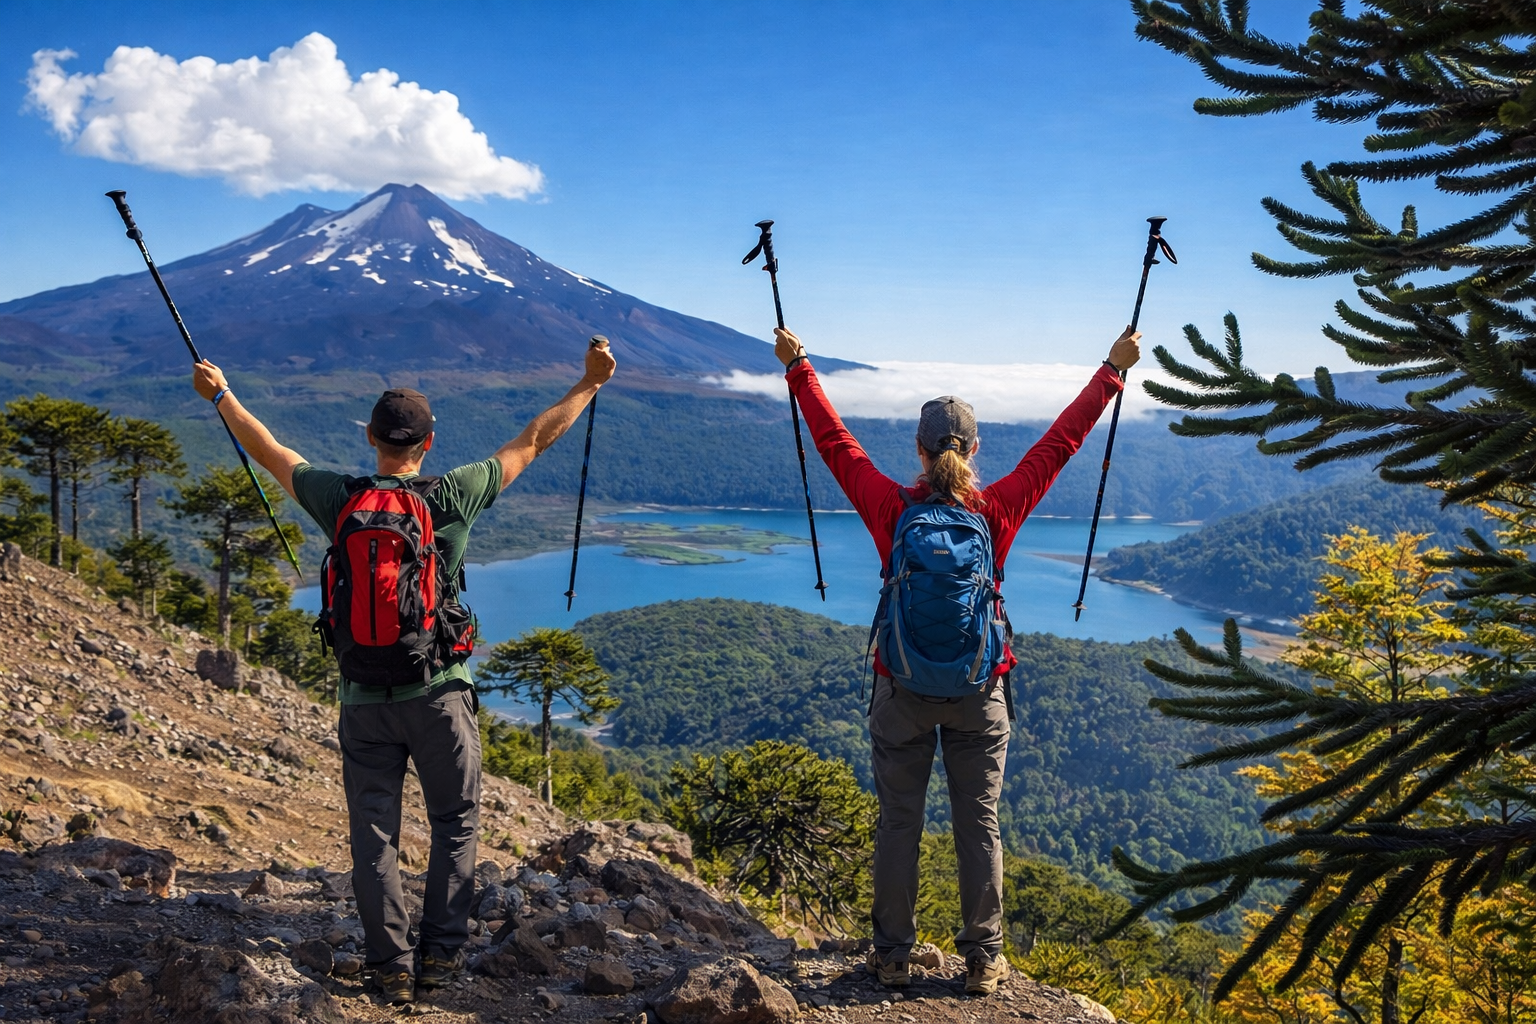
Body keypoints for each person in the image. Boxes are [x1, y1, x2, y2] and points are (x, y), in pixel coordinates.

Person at [188, 339, 616, 1005]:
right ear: (428, 441)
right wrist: (589, 383)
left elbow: (269, 450)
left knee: (374, 837)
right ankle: (439, 959)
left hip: (363, 697)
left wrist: (220, 394)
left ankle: (388, 965)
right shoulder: (453, 494)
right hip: (439, 690)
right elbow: (532, 441)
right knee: (455, 821)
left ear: (371, 439)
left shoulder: (339, 497)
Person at [772, 324, 1140, 995]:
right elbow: (1061, 444)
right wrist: (1112, 371)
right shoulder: (996, 508)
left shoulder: (892, 506)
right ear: (974, 450)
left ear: (918, 451)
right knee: (979, 823)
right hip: (979, 690)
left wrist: (799, 366)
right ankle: (983, 960)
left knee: (899, 822)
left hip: (902, 688)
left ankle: (891, 955)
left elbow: (834, 442)